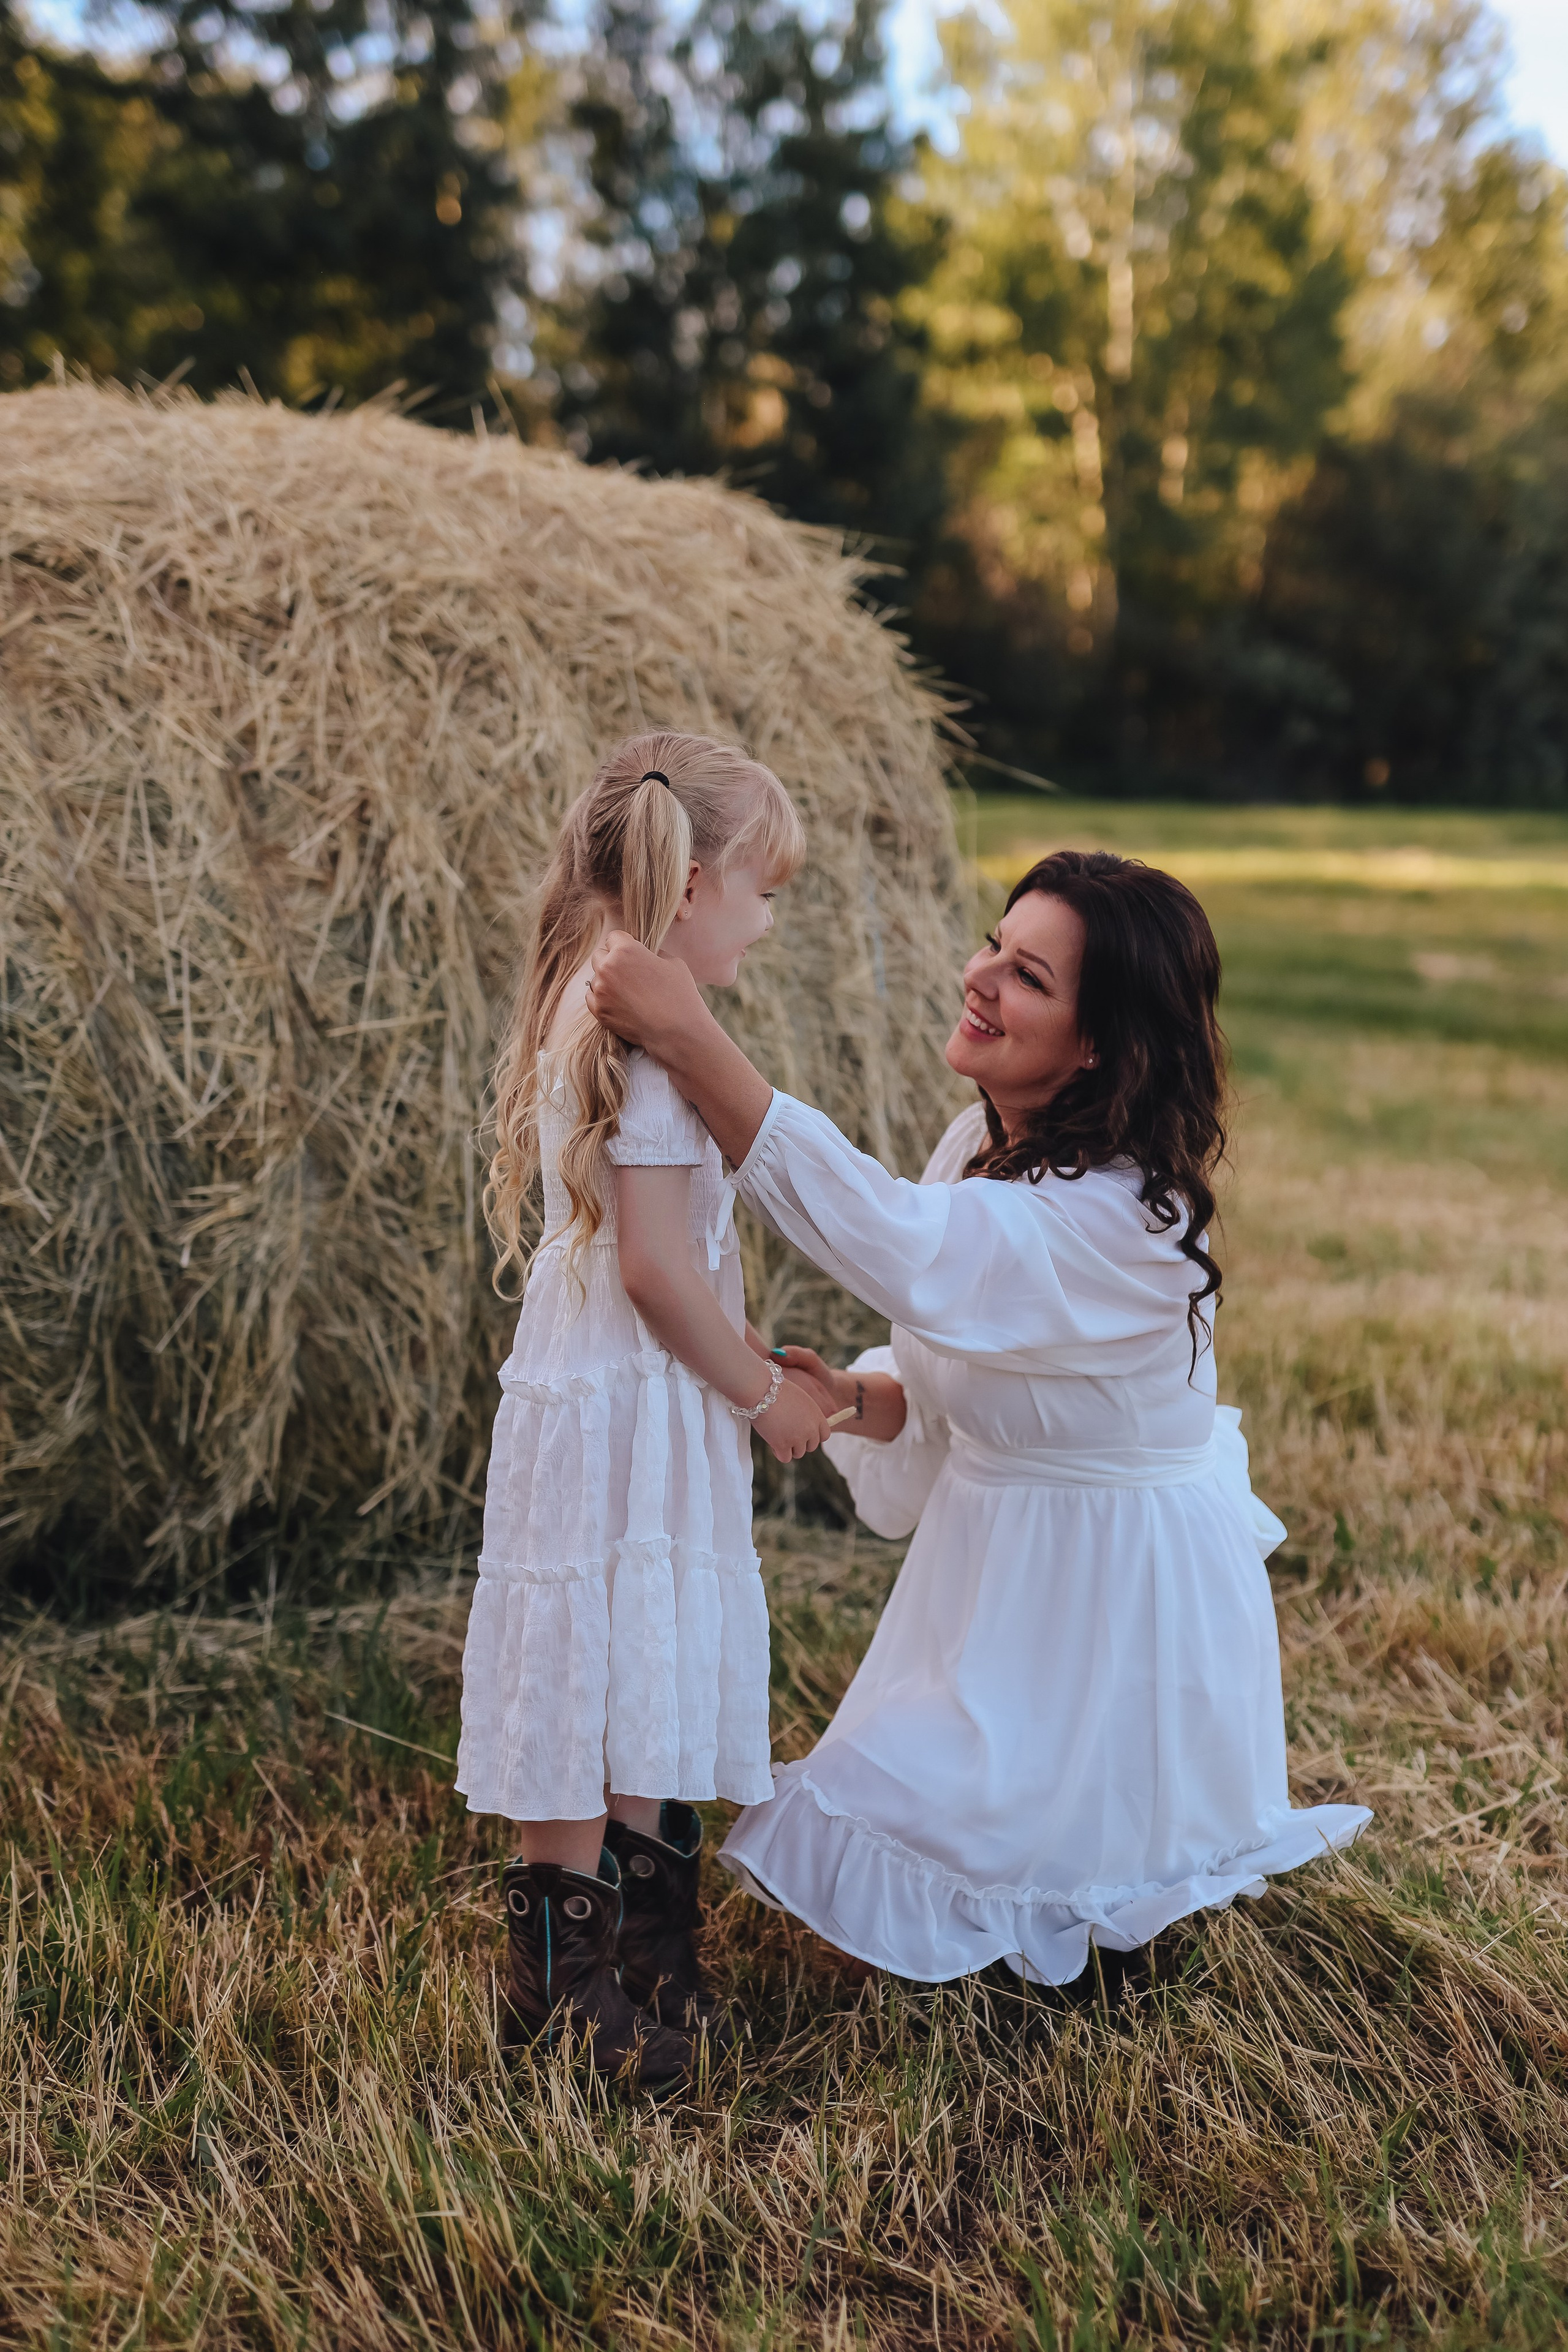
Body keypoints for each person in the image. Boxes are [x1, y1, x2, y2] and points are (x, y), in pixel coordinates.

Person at [586, 848, 1371, 1989]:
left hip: (1108, 1602)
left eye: (1030, 977)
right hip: (1005, 1559)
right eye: (994, 946)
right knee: (921, 1838)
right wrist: (858, 1399)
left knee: (1046, 1931)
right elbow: (963, 1357)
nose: (982, 977)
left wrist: (691, 1035)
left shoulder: (1124, 1220)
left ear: (1100, 1042)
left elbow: (903, 1247)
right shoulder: (983, 1146)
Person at [456, 733, 829, 2087]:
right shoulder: (656, 1050)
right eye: (764, 890)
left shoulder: (586, 993)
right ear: (692, 888)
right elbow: (659, 1269)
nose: (771, 919)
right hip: (635, 1383)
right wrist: (761, 1397)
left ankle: (637, 1959)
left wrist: (731, 1345)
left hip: (601, 1376)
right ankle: (566, 1995)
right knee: (601, 1643)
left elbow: (665, 1259)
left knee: (619, 1641)